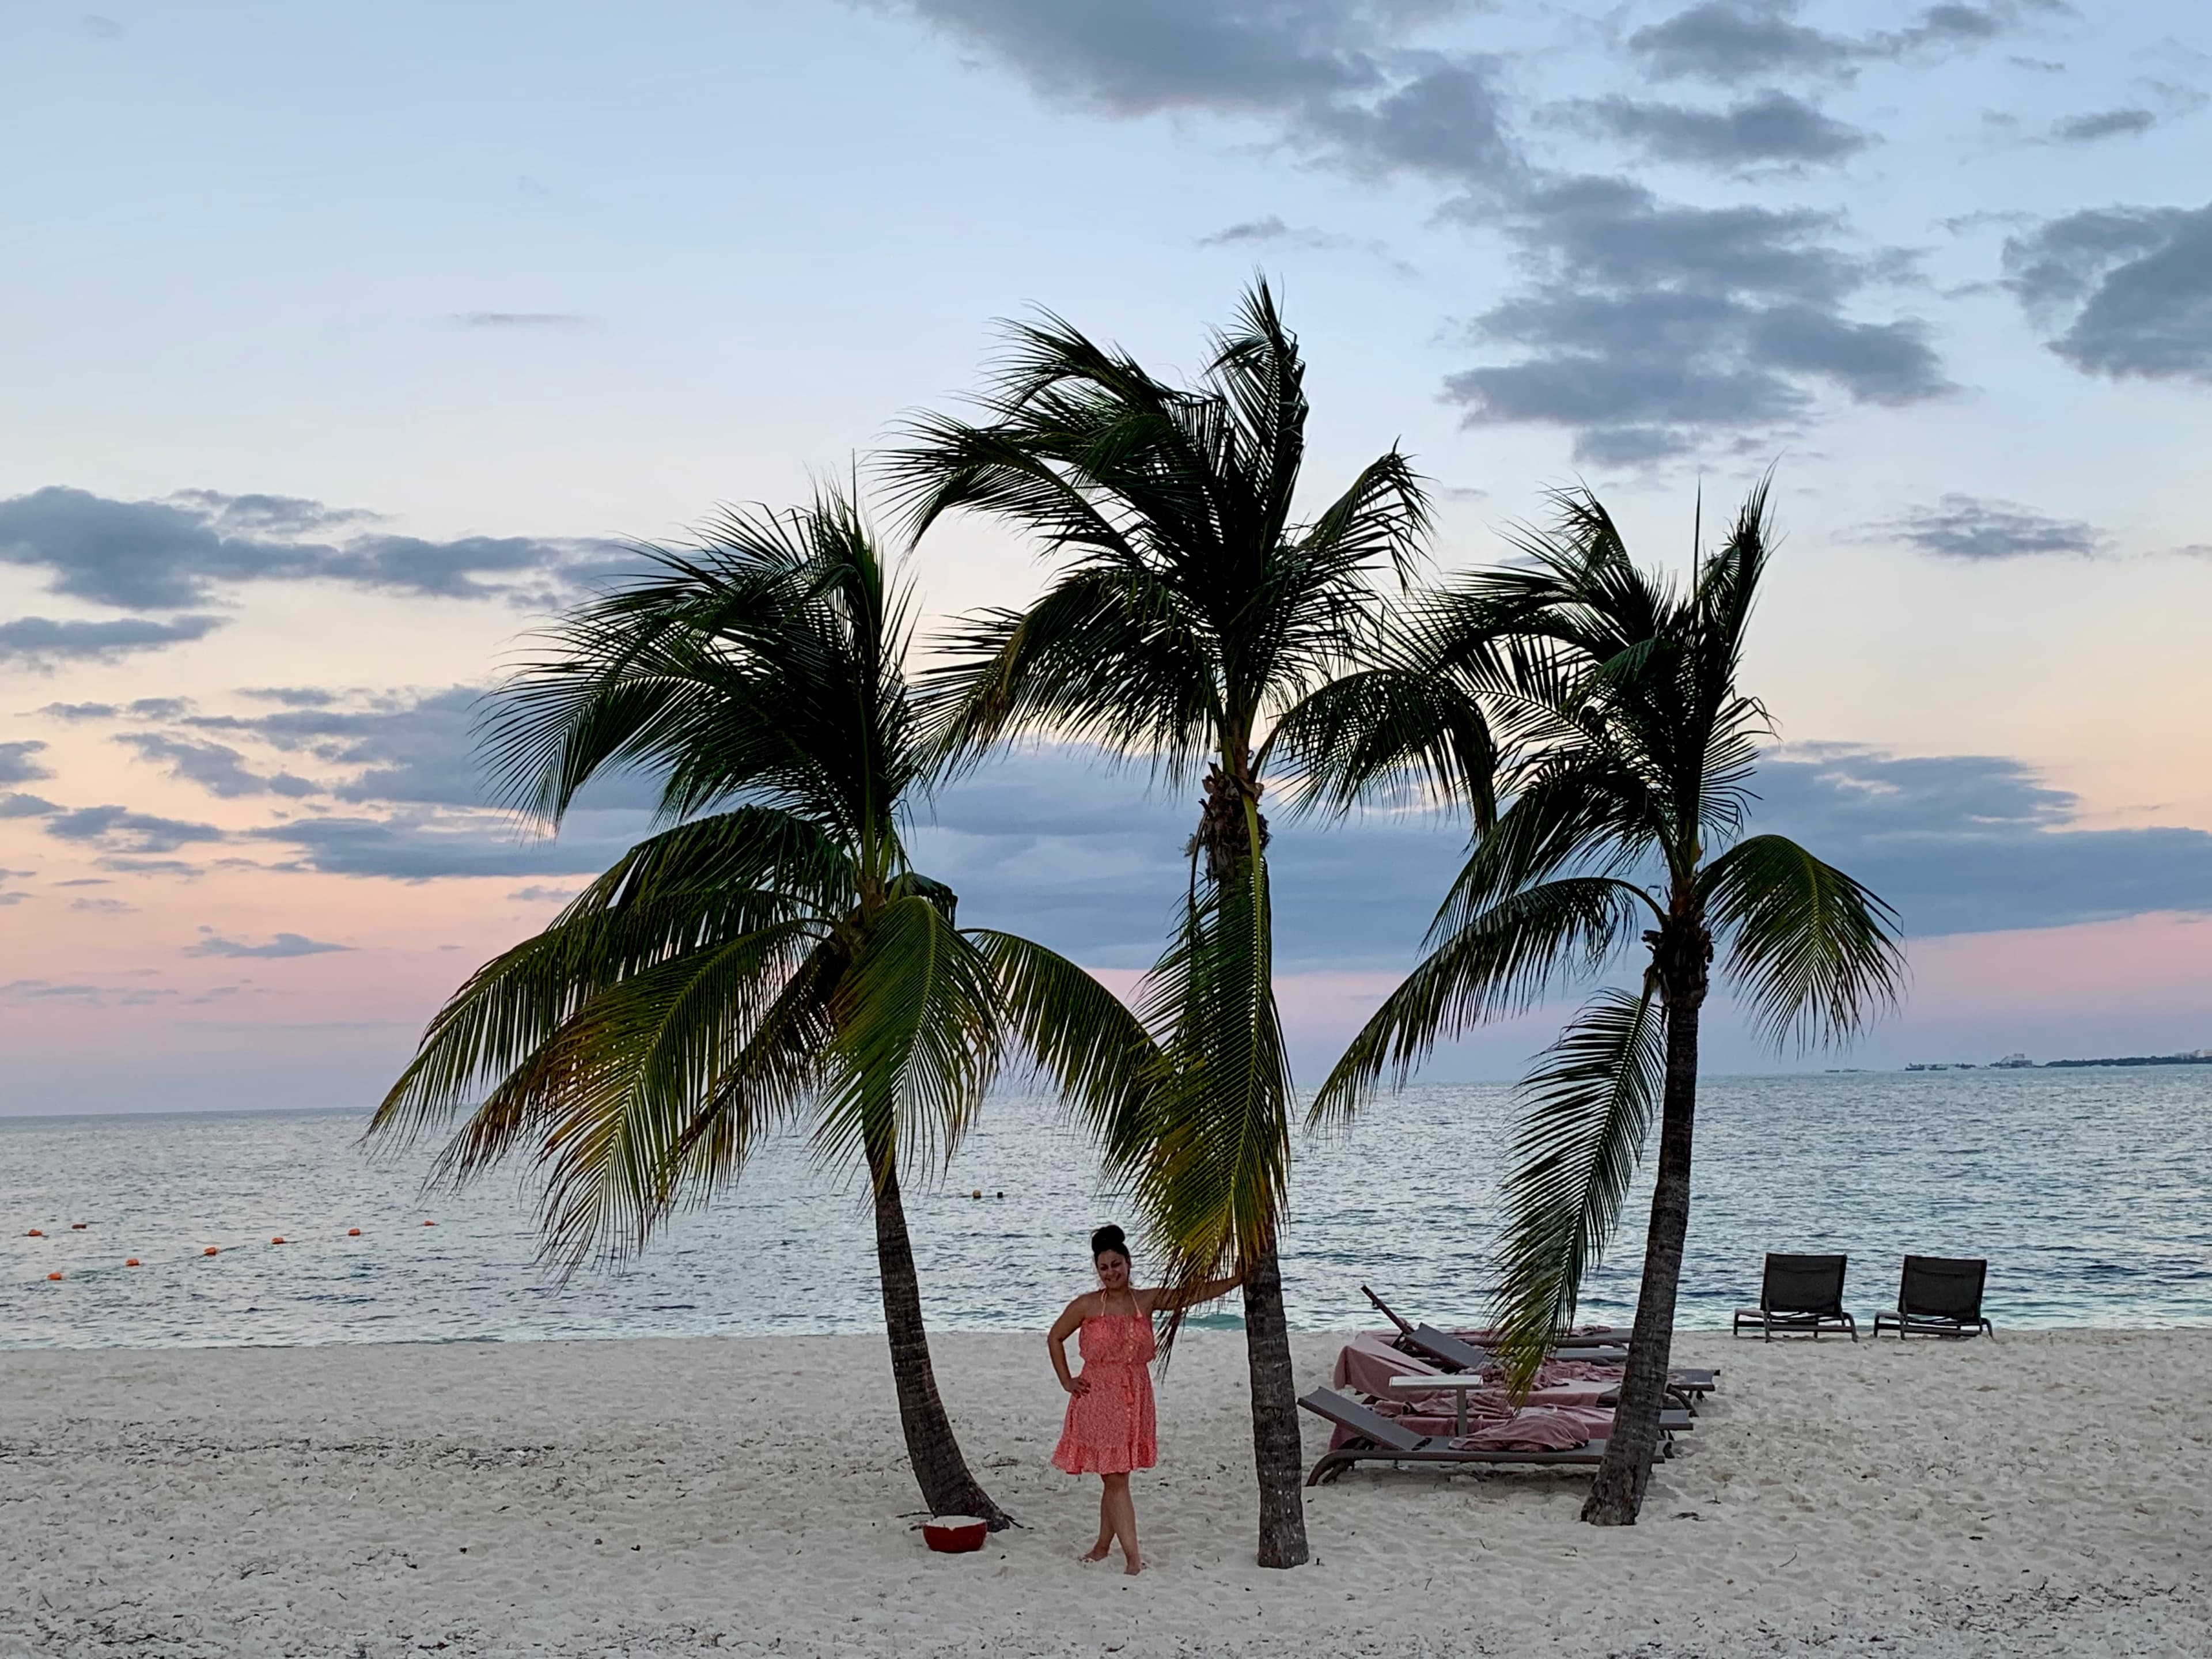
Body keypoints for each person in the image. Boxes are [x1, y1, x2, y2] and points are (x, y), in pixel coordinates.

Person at [1046, 1224, 1240, 1574]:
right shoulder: (1087, 1306)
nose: (1111, 1273)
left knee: (1115, 1476)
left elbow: (1189, 1294)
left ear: (1128, 1263)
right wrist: (1067, 1381)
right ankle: (1134, 1559)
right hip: (1097, 1398)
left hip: (1135, 1396)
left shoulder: (1146, 1301)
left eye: (1116, 1265)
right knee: (1115, 1477)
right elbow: (1055, 1337)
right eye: (1103, 1267)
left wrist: (1235, 1280)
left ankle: (1103, 1546)